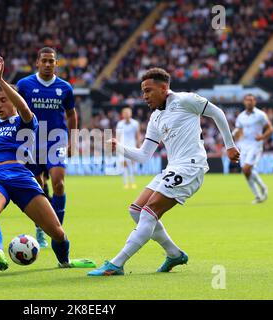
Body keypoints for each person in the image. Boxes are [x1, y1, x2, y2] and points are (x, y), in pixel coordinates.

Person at [88, 68, 240, 276]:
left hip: (191, 166)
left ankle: (117, 264)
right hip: (173, 167)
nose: (145, 96)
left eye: (148, 91)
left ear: (163, 88)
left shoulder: (185, 100)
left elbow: (217, 112)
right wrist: (119, 148)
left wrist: (229, 145)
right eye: (143, 92)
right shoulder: (155, 119)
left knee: (149, 212)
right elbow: (144, 155)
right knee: (136, 210)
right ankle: (174, 253)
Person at [0, 56, 95, 271]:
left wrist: (2, 81)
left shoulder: (25, 120)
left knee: (58, 233)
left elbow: (24, 109)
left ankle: (65, 261)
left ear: (13, 99)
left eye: (3, 100)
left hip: (20, 176)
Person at [16, 47, 78, 248]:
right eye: (45, 60)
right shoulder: (24, 85)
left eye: (52, 61)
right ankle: (41, 228)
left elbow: (71, 115)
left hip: (56, 140)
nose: (48, 64)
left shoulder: (65, 88)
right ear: (37, 63)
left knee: (59, 183)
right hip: (31, 141)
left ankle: (57, 229)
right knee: (38, 188)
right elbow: (17, 112)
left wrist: (73, 140)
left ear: (56, 64)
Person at [233, 94, 273, 204]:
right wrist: (236, 133)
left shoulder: (261, 115)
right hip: (244, 146)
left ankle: (262, 190)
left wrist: (262, 137)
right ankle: (259, 194)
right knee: (246, 172)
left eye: (251, 100)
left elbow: (270, 129)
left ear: (255, 102)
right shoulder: (241, 116)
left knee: (247, 169)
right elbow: (238, 130)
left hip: (255, 145)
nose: (249, 102)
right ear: (244, 102)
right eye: (247, 100)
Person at [116, 107, 141, 189]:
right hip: (123, 147)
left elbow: (137, 136)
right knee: (125, 165)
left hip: (132, 147)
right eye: (125, 113)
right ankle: (126, 183)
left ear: (131, 114)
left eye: (128, 113)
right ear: (122, 114)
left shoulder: (135, 123)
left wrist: (139, 146)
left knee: (132, 165)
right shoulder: (120, 124)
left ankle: (132, 182)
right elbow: (118, 136)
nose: (127, 115)